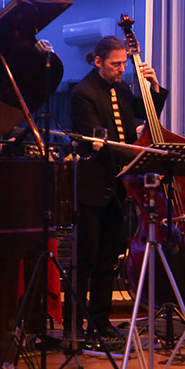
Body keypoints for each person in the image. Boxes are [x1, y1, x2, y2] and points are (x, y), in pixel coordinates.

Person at [69, 36, 168, 339]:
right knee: (85, 259)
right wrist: (140, 155)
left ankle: (100, 322)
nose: (122, 69)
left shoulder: (122, 88)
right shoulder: (83, 93)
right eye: (116, 64)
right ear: (98, 62)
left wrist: (153, 88)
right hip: (92, 187)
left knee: (108, 259)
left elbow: (147, 113)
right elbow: (99, 143)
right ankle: (73, 326)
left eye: (124, 63)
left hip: (119, 187)